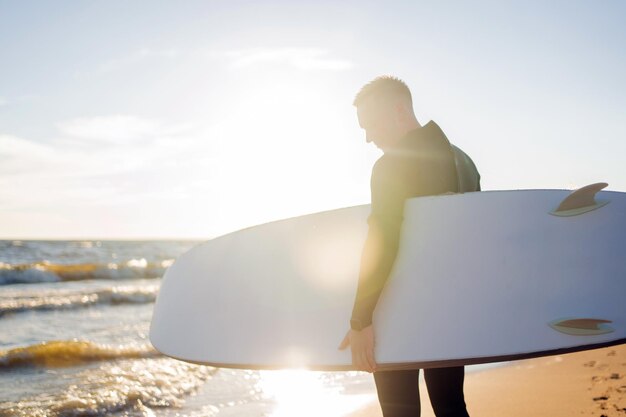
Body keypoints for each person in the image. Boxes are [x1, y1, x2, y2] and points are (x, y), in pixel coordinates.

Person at [338, 76, 480, 417]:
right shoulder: (463, 161)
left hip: (398, 310)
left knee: (399, 411)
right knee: (451, 407)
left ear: (400, 111)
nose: (368, 137)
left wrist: (361, 321)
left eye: (371, 125)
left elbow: (383, 240)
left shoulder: (391, 166)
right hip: (449, 310)